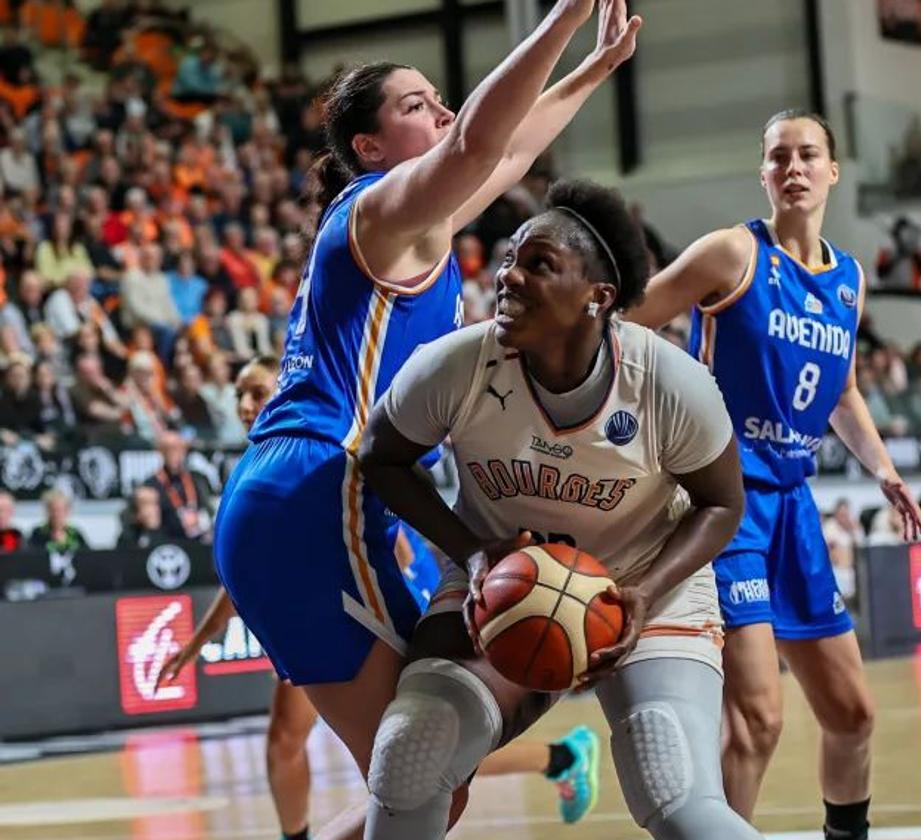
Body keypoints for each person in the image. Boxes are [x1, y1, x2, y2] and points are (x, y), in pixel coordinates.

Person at [213, 0, 639, 831]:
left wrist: (595, 68)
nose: (442, 112)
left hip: (306, 501)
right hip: (317, 491)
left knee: (425, 783)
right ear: (366, 148)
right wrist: (563, 18)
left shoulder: (422, 225)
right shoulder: (376, 209)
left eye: (442, 99)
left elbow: (509, 148)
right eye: (417, 105)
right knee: (421, 777)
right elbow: (482, 140)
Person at [356, 179, 760, 839]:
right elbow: (382, 455)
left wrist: (643, 592)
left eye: (538, 264)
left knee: (677, 796)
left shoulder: (670, 382)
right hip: (499, 583)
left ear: (598, 299)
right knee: (408, 754)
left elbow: (721, 504)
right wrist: (472, 552)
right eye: (509, 258)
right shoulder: (457, 365)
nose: (508, 275)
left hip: (644, 584)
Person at [625, 110, 921, 840]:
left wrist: (882, 468)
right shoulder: (732, 254)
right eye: (778, 156)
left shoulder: (849, 281)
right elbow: (632, 319)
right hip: (724, 502)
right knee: (758, 718)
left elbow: (843, 390)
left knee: (853, 716)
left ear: (833, 171)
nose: (793, 166)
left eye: (807, 154)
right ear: (763, 173)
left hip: (793, 503)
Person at [162, 357, 601, 840]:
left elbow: (390, 541)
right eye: (239, 394)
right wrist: (197, 641)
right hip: (328, 599)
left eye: (257, 391)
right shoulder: (270, 462)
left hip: (370, 597)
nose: (247, 405)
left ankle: (561, 756)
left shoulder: (321, 459)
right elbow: (249, 573)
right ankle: (560, 756)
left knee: (420, 755)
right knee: (339, 745)